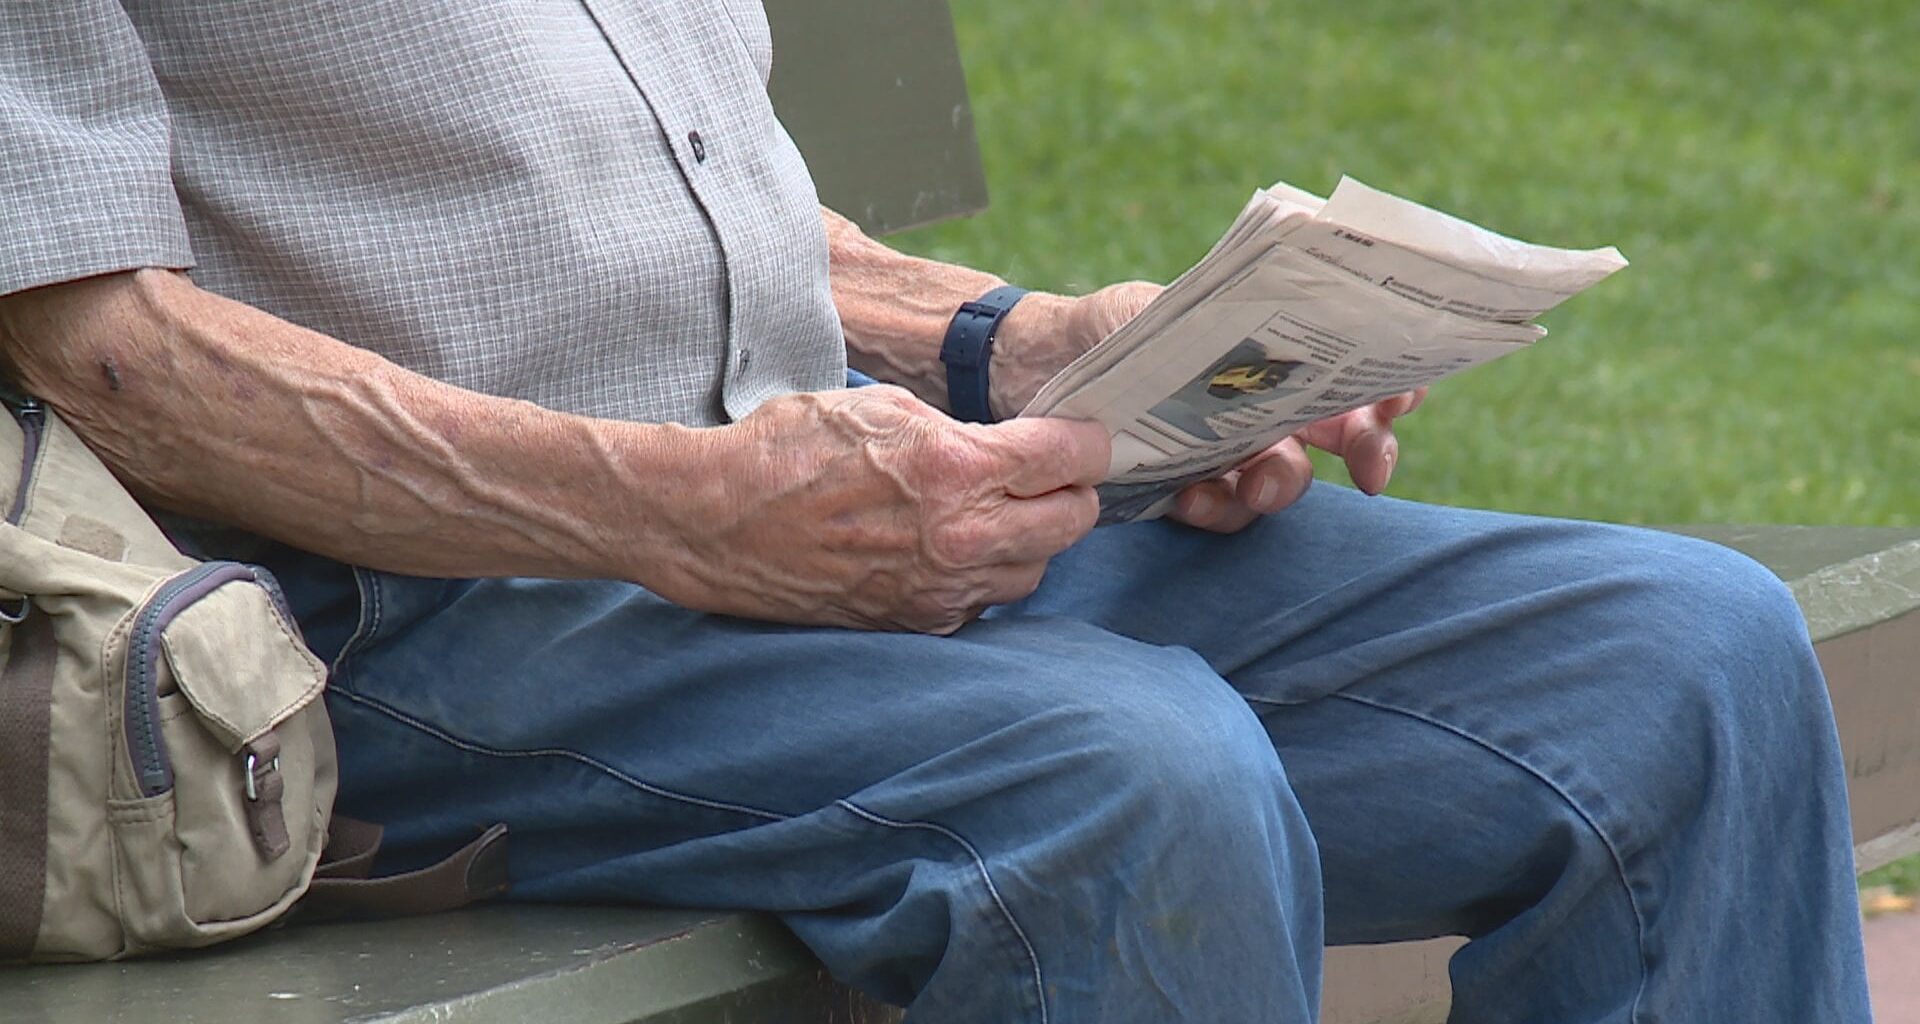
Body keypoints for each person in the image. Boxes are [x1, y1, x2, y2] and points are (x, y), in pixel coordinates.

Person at [0, 4, 1872, 1021]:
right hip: (395, 616)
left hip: (805, 484)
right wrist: (678, 511)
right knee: (1135, 781)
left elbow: (665, 219)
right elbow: (96, 346)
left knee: (1683, 661)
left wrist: (1018, 343)